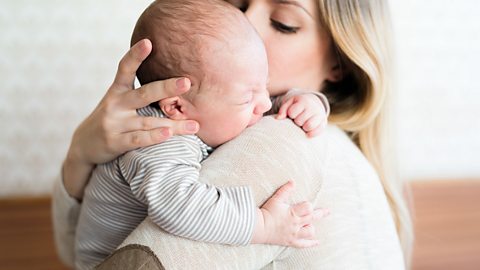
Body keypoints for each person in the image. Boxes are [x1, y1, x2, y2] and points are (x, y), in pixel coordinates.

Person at [52, 0, 413, 268]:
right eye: (238, 4)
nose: (245, 22)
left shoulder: (283, 139)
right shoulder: (165, 138)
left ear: (339, 61)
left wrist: (310, 102)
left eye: (283, 23)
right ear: (177, 106)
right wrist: (82, 152)